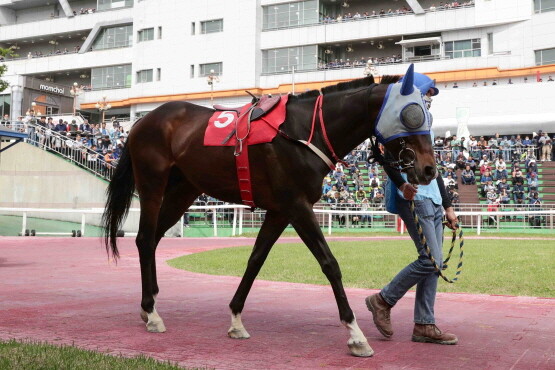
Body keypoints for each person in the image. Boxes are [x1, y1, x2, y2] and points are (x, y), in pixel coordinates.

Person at [366, 72, 459, 345]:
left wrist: (448, 206)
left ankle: (424, 325)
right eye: (428, 92)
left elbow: (434, 167)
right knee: (432, 260)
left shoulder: (423, 125)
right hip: (413, 196)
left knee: (433, 265)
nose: (430, 98)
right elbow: (384, 157)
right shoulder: (397, 121)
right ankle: (383, 299)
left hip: (432, 198)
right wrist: (400, 184)